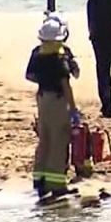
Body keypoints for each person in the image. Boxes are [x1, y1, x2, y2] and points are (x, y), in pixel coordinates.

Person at [26, 13, 82, 200]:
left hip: (42, 98)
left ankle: (40, 181)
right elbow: (67, 84)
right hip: (57, 100)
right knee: (59, 142)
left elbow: (30, 75)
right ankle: (57, 185)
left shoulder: (37, 52)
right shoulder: (59, 57)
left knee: (45, 139)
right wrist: (73, 110)